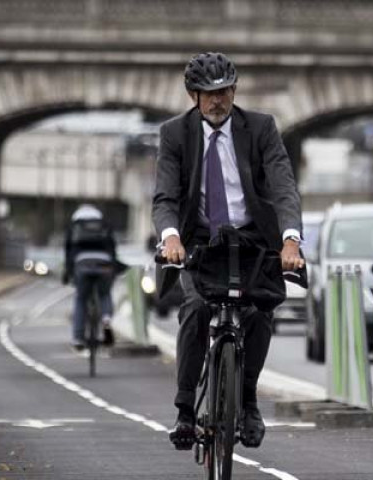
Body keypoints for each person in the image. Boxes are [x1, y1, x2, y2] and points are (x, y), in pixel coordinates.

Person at [153, 52, 305, 450]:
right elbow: (165, 196)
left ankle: (248, 399)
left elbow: (283, 186)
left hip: (252, 239)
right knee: (197, 309)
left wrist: (290, 239)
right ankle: (185, 410)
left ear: (234, 90)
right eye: (208, 94)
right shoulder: (174, 135)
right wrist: (170, 237)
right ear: (193, 96)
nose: (217, 101)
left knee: (258, 311)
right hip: (199, 243)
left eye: (224, 92)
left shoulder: (261, 128)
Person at [62, 204, 127, 351]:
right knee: (104, 294)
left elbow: (68, 252)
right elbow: (112, 249)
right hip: (104, 263)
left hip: (82, 263)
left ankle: (78, 337)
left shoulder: (74, 227)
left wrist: (68, 272)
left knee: (81, 298)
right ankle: (106, 318)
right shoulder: (104, 225)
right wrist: (115, 267)